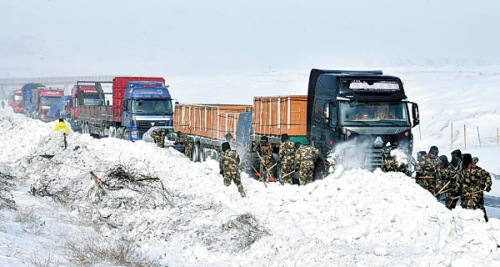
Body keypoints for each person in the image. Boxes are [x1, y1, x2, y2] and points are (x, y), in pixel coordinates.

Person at [454, 154, 492, 221]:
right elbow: (487, 175)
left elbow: (458, 185)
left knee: (470, 211)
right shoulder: (472, 169)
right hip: (473, 194)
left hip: (470, 195)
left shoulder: (465, 171)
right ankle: (485, 222)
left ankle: (479, 224)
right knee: (479, 208)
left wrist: (488, 185)